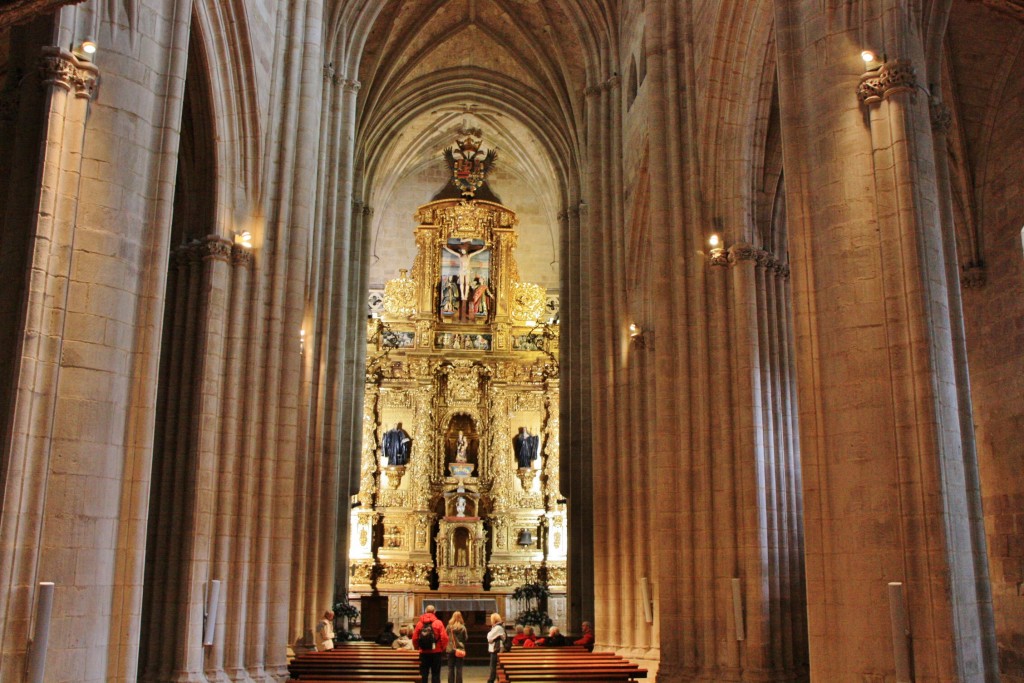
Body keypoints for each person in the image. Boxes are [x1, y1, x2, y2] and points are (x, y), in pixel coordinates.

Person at [413, 604, 448, 683]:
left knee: (424, 673)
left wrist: (417, 647)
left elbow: (414, 638)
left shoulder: (419, 623)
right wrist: (442, 648)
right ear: (434, 612)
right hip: (436, 652)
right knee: (435, 673)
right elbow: (444, 637)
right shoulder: (438, 623)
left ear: (425, 611)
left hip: (423, 652)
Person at [446, 610, 469, 683]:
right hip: (460, 649)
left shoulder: (449, 627)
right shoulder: (463, 627)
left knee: (450, 668)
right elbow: (466, 638)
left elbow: (446, 636)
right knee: (459, 669)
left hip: (450, 649)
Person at [485, 612, 506, 683]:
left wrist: (489, 635)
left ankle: (491, 680)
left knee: (493, 665)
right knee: (492, 665)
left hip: (496, 648)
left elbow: (489, 637)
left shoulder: (498, 627)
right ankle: (491, 678)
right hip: (495, 648)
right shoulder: (496, 627)